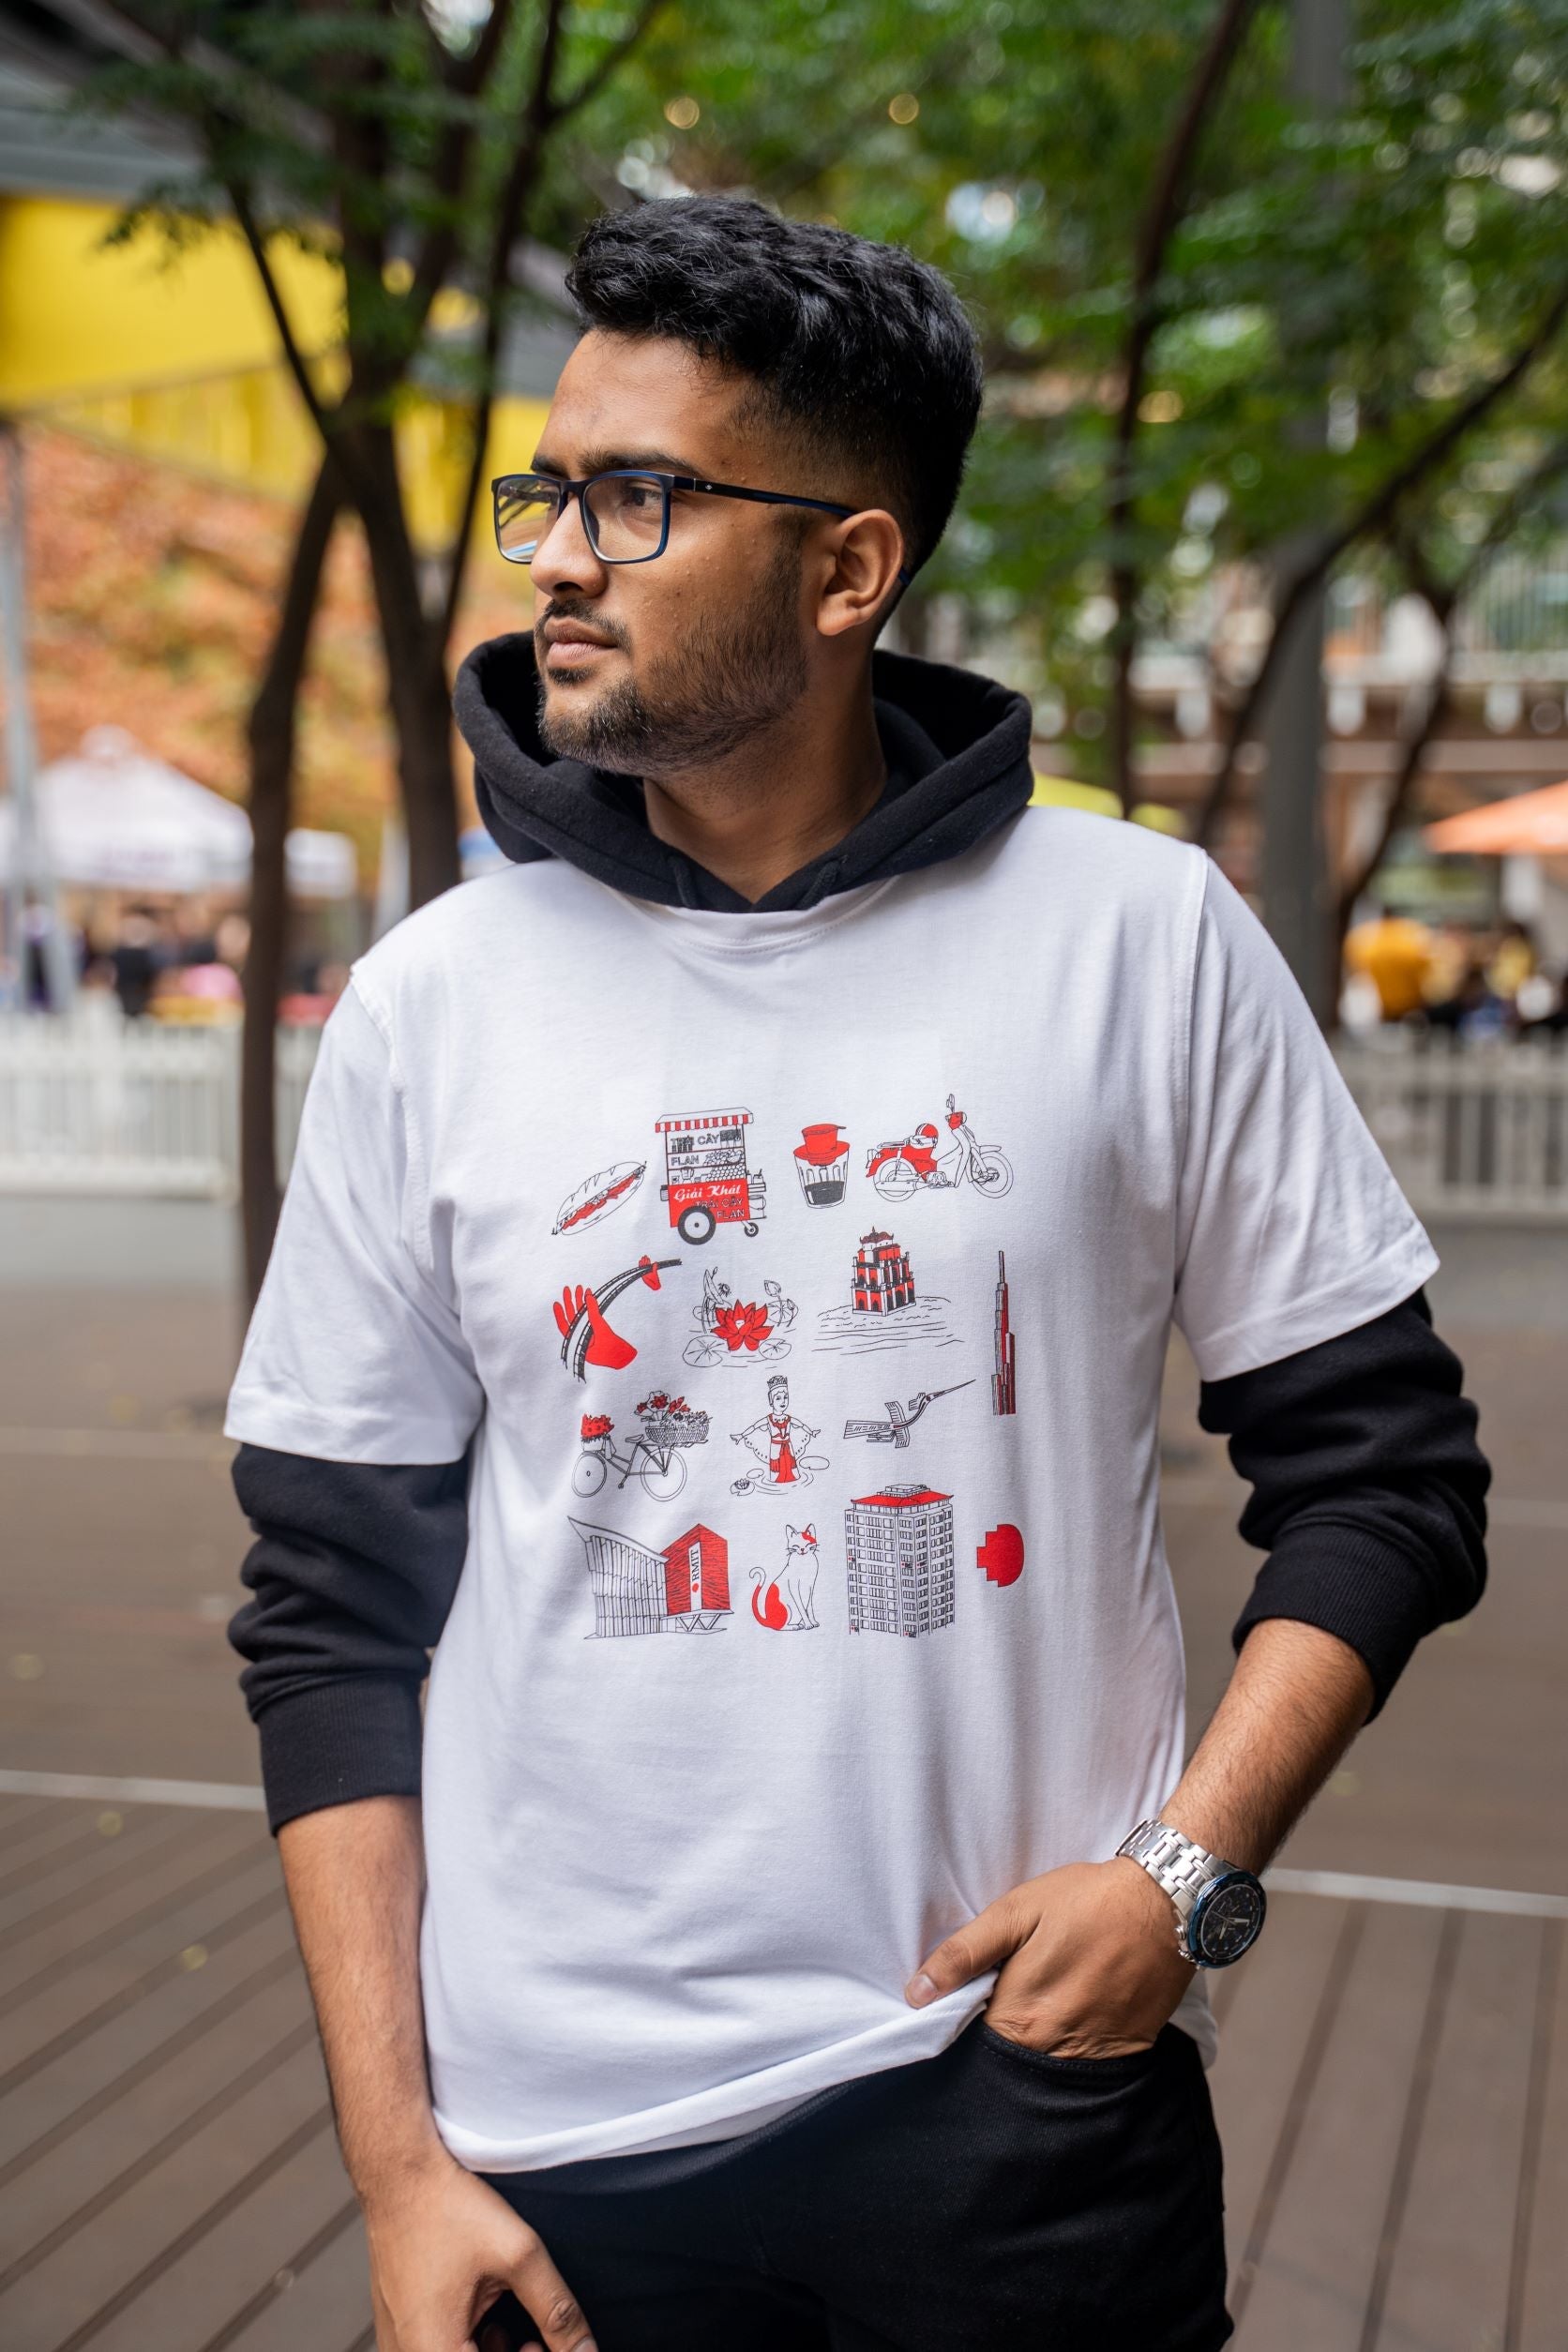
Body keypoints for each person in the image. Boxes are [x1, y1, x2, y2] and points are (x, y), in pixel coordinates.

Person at [226, 198, 1488, 2352]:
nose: (554, 552)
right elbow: (327, 1611)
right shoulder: (432, 1005)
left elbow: (1383, 1478)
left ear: (846, 568)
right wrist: (397, 2162)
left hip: (1014, 2103)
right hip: (547, 2151)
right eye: (553, 488)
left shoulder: (1137, 936)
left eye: (638, 496)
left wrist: (1176, 1888)